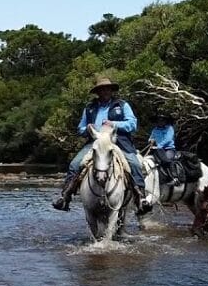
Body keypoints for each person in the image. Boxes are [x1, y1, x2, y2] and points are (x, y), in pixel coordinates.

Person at [51, 77, 149, 212]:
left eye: (107, 89)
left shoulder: (122, 105)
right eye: (101, 89)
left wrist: (114, 124)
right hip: (95, 142)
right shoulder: (89, 108)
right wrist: (87, 128)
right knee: (75, 164)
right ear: (97, 92)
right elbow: (80, 128)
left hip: (118, 141)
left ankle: (141, 198)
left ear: (111, 90)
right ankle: (65, 197)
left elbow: (132, 124)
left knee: (134, 163)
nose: (105, 91)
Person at [149, 113, 184, 186]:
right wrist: (151, 140)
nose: (160, 122)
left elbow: (168, 139)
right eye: (159, 120)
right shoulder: (155, 130)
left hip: (169, 149)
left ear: (165, 121)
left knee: (166, 159)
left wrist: (159, 145)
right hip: (157, 150)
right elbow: (151, 137)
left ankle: (175, 178)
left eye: (162, 120)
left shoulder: (169, 128)